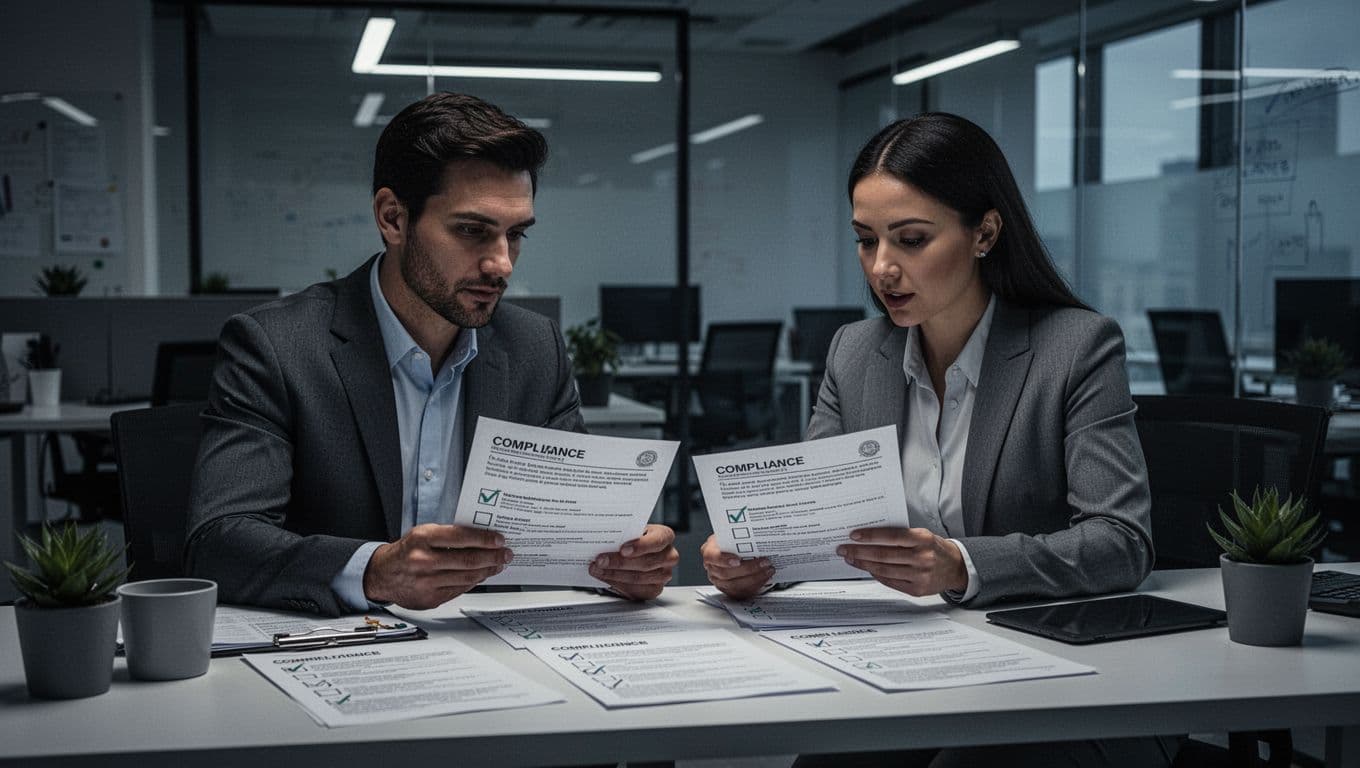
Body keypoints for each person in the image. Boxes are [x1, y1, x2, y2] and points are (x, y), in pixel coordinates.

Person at [701, 113, 1171, 767]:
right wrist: (755, 558)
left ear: (985, 233)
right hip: (903, 662)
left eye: (912, 239)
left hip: (1054, 674)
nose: (882, 268)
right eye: (865, 241)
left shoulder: (1075, 348)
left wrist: (960, 565)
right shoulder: (855, 352)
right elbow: (815, 523)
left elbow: (1121, 543)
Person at [185, 92, 678, 617]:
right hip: (341, 642)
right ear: (393, 218)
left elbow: (579, 534)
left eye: (515, 235)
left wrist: (627, 563)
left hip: (495, 645)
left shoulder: (535, 349)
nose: (502, 264)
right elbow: (219, 540)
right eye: (472, 231)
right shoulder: (279, 345)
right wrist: (376, 571)